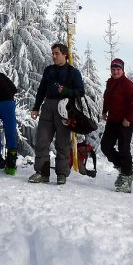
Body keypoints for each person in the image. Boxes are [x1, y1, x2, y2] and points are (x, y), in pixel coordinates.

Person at [28, 43, 85, 185]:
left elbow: (80, 91)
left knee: (63, 143)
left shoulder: (73, 72)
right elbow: (41, 90)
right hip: (47, 107)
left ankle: (62, 174)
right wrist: (36, 108)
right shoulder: (48, 70)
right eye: (52, 53)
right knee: (41, 140)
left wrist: (66, 91)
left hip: (65, 109)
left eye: (56, 53)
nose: (53, 56)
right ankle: (41, 172)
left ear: (64, 54)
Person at [100, 58, 133, 193]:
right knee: (105, 146)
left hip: (125, 122)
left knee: (124, 149)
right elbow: (107, 98)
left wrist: (128, 118)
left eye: (118, 69)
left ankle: (127, 177)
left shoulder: (126, 84)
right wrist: (104, 111)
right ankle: (124, 170)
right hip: (112, 120)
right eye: (113, 69)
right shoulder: (110, 82)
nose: (115, 71)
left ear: (122, 70)